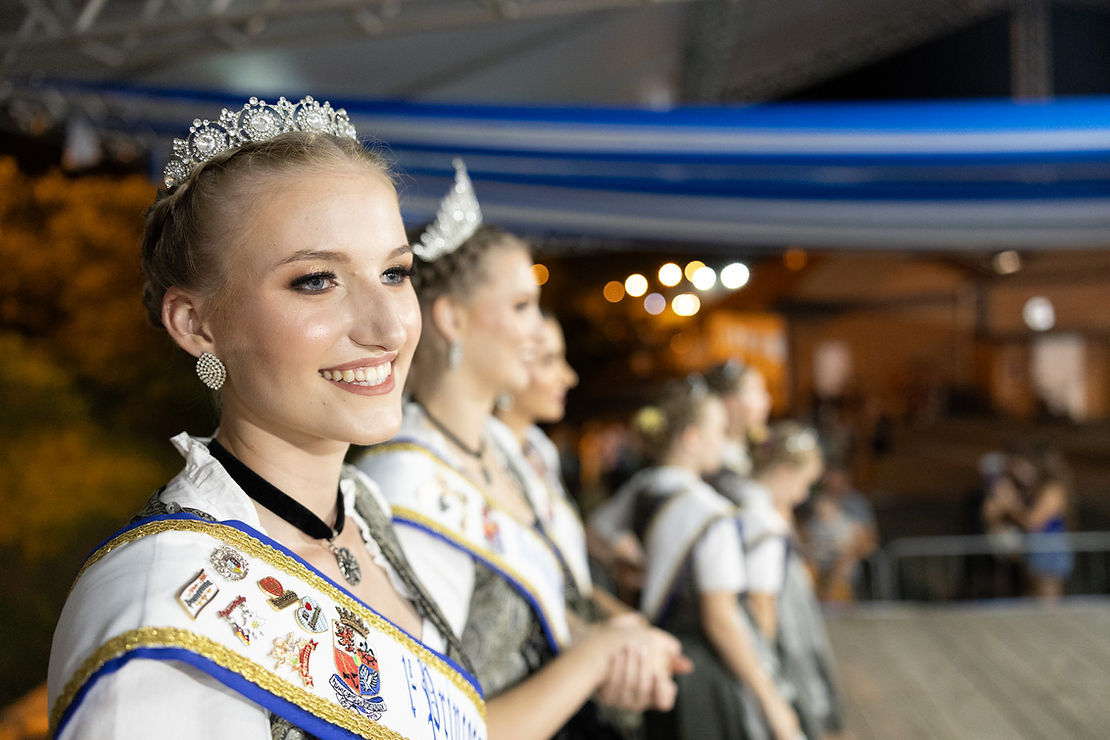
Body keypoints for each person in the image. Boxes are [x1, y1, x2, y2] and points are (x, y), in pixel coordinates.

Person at [46, 97, 486, 740]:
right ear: (196, 325)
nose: (391, 326)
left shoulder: (366, 517)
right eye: (316, 281)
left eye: (394, 272)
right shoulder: (163, 603)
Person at [357, 161, 687, 740]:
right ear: (451, 319)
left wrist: (625, 643)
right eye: (520, 308)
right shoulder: (405, 482)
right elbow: (429, 726)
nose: (539, 334)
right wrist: (597, 655)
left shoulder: (503, 453)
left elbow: (557, 613)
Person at [615, 380, 800, 740]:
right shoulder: (710, 511)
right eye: (718, 430)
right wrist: (770, 698)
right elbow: (721, 618)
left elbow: (597, 534)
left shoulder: (645, 488)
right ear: (691, 437)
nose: (724, 439)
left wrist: (633, 569)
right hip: (702, 670)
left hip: (658, 655)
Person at [493, 312, 632, 620]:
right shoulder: (484, 458)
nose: (569, 377)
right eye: (548, 361)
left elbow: (565, 570)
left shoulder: (540, 449)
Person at [753, 423, 844, 739]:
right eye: (803, 483)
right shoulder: (762, 524)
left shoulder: (764, 513)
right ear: (782, 472)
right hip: (784, 646)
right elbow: (761, 604)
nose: (803, 495)